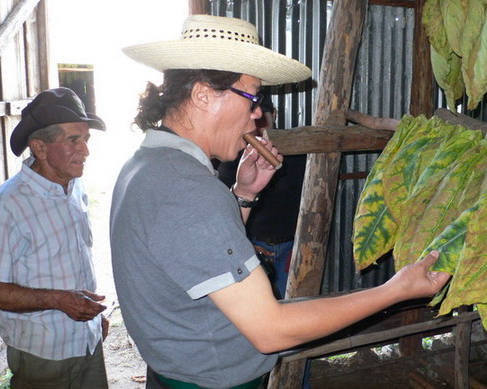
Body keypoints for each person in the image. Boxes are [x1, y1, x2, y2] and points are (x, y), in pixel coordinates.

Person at [112, 14, 450, 389]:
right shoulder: (186, 187)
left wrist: (243, 195)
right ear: (204, 96)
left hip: (180, 370)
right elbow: (270, 331)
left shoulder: (149, 164)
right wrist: (396, 290)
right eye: (252, 98)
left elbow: (195, 261)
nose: (258, 114)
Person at [0, 88, 110, 389]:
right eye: (74, 140)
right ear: (40, 147)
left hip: (87, 342)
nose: (85, 150)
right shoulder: (6, 205)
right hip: (44, 357)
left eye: (86, 139)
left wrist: (93, 320)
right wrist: (59, 300)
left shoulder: (75, 188)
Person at [217, 93, 306, 299]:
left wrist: (301, 243)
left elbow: (310, 202)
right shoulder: (235, 157)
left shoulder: (300, 151)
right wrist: (247, 244)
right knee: (255, 304)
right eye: (253, 119)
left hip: (291, 245)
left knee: (291, 302)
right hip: (252, 245)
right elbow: (226, 209)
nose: (259, 125)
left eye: (263, 118)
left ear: (274, 114)